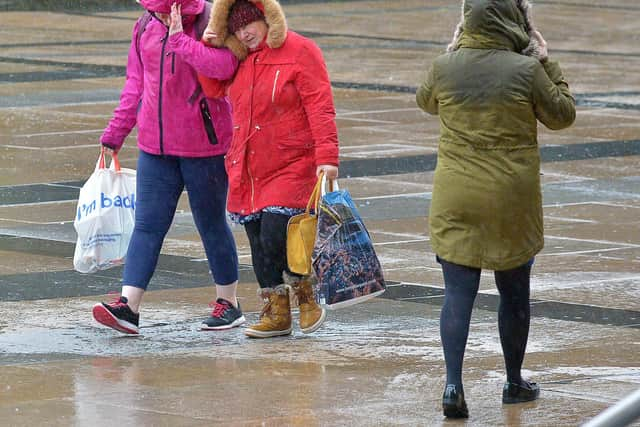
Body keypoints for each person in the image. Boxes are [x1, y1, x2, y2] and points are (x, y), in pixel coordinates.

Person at [416, 0, 576, 419]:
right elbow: (563, 115)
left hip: (457, 196)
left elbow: (425, 102)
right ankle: (513, 380)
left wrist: (453, 53)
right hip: (511, 198)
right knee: (514, 294)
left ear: (467, 20)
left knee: (457, 292)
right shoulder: (526, 71)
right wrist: (546, 60)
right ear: (515, 20)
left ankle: (453, 385)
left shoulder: (445, 67)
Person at [92, 0, 244, 335]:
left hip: (203, 146)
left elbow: (225, 67)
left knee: (211, 223)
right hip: (154, 146)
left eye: (167, 10)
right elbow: (136, 83)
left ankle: (229, 303)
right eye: (157, 9)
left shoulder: (213, 19)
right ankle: (128, 307)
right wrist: (115, 132)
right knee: (146, 225)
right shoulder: (145, 25)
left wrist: (181, 41)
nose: (161, 15)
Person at [203, 0, 340, 338]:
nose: (243, 33)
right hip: (248, 166)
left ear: (267, 19)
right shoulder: (238, 58)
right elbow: (212, 88)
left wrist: (327, 158)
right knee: (259, 243)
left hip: (292, 163)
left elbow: (320, 107)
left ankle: (306, 295)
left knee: (277, 235)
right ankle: (276, 311)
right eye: (235, 29)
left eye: (248, 24)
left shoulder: (302, 50)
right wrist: (210, 47)